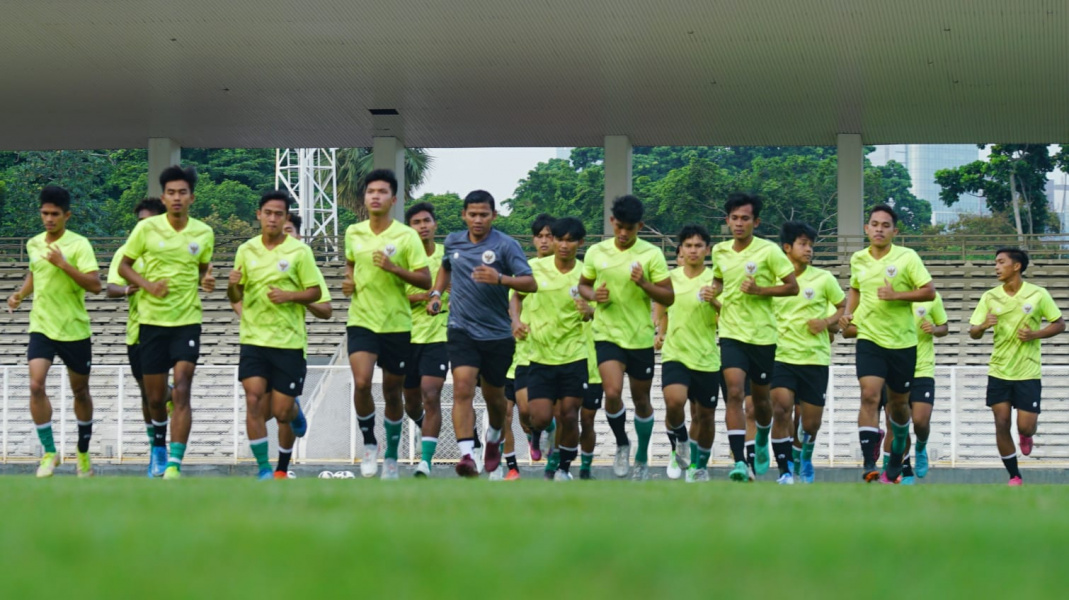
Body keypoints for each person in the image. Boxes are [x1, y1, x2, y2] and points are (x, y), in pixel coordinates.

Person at [428, 190, 536, 477]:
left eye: (484, 215)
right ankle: (466, 456)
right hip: (461, 328)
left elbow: (530, 283)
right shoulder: (453, 241)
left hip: (497, 334)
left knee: (495, 398)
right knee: (462, 387)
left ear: (494, 216)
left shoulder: (506, 245)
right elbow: (445, 267)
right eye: (472, 214)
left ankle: (494, 436)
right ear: (464, 215)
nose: (478, 220)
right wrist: (437, 292)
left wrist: (500, 278)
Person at [118, 166, 215, 479]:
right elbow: (123, 266)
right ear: (164, 196)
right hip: (151, 322)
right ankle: (158, 447)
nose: (176, 198)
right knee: (156, 397)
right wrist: (148, 286)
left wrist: (207, 279)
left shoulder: (203, 233)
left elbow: (202, 269)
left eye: (182, 192)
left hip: (187, 321)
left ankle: (174, 464)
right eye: (171, 193)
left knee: (183, 389)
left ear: (192, 197)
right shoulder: (146, 230)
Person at [228, 191, 330, 479]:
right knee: (253, 401)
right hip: (253, 341)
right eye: (268, 213)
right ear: (259, 214)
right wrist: (232, 287)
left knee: (282, 411)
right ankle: (265, 470)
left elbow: (319, 297)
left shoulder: (301, 253)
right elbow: (235, 294)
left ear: (287, 217)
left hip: (289, 342)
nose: (273, 219)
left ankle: (285, 455)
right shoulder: (246, 250)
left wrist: (290, 296)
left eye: (279, 214)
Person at [7, 186, 102, 478]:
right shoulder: (34, 243)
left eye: (55, 214)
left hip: (74, 329)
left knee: (80, 392)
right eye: (45, 213)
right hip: (42, 327)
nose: (49, 219)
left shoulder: (79, 245)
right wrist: (21, 294)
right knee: (35, 386)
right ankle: (49, 453)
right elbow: (36, 272)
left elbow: (95, 285)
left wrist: (64, 265)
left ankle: (83, 453)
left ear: (66, 216)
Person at [342, 169, 431, 480]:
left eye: (382, 191)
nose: (375, 196)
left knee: (393, 393)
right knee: (363, 382)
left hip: (396, 323)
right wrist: (349, 279)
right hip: (362, 320)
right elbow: (351, 263)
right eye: (370, 191)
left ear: (393, 199)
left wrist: (394, 268)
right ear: (365, 198)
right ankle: (370, 444)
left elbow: (425, 279)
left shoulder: (406, 236)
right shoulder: (353, 232)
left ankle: (392, 456)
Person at [577, 195, 673, 480]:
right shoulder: (596, 252)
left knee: (642, 400)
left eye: (629, 228)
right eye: (618, 226)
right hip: (607, 335)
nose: (622, 233)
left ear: (639, 226)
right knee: (612, 393)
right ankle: (622, 443)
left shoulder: (651, 254)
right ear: (611, 222)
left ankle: (642, 455)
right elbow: (583, 285)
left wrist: (644, 283)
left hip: (640, 337)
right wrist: (594, 296)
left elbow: (669, 295)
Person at [839, 204, 934, 484]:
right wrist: (848, 314)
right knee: (869, 395)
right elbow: (855, 288)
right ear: (867, 228)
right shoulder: (858, 259)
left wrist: (896, 296)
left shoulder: (908, 257)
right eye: (874, 224)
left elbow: (929, 292)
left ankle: (897, 456)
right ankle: (869, 461)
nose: (879, 229)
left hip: (903, 343)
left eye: (885, 225)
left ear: (895, 231)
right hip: (869, 337)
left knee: (898, 406)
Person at [712, 193, 798, 482]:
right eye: (734, 218)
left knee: (761, 403)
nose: (739, 223)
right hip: (731, 333)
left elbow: (792, 287)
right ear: (727, 221)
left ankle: (762, 435)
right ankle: (740, 462)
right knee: (735, 394)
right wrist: (714, 291)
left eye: (745, 218)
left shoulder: (770, 252)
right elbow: (719, 281)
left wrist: (761, 290)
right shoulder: (720, 252)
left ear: (756, 222)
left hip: (762, 336)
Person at [969, 248, 1064, 486]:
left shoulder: (1038, 294)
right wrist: (982, 326)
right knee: (1001, 422)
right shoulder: (990, 297)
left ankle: (1026, 435)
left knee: (1026, 426)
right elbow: (973, 333)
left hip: (1028, 371)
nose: (996, 267)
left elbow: (1059, 324)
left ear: (1016, 266)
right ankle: (1014, 475)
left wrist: (1036, 334)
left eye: (1001, 262)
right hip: (999, 370)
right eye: (995, 263)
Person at [769, 221, 845, 484]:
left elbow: (843, 307)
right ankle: (784, 470)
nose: (809, 249)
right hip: (780, 357)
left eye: (811, 245)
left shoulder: (824, 279)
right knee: (781, 409)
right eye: (803, 244)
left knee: (810, 424)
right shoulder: (772, 279)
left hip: (814, 359)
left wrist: (825, 322)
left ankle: (804, 457)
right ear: (787, 247)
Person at [514, 217, 589, 480]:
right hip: (539, 355)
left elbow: (601, 306)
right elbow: (516, 296)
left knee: (570, 414)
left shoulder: (586, 272)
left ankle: (564, 467)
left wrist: (590, 311)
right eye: (559, 239)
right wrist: (515, 321)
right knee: (540, 416)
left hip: (574, 354)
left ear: (580, 243)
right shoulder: (533, 268)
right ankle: (540, 433)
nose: (563, 245)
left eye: (570, 240)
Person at [105, 197, 171, 476]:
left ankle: (162, 450)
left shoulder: (171, 251)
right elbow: (110, 288)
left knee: (157, 393)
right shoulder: (126, 253)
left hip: (170, 329)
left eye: (148, 222)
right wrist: (128, 290)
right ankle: (156, 449)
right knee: (148, 394)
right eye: (139, 223)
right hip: (138, 333)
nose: (142, 228)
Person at [653, 225, 719, 483]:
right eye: (688, 246)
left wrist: (714, 300)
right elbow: (661, 305)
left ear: (707, 250)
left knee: (704, 416)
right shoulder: (670, 279)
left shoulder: (716, 281)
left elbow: (729, 316)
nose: (693, 250)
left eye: (698, 246)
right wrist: (658, 330)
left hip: (706, 357)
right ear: (680, 249)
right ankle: (679, 442)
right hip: (676, 354)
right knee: (674, 402)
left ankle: (698, 465)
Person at [500, 214, 557, 481]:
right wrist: (515, 321)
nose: (544, 241)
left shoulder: (573, 271)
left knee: (543, 412)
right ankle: (513, 464)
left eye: (550, 235)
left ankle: (554, 458)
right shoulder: (524, 269)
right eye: (539, 236)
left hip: (554, 353)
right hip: (519, 351)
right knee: (515, 412)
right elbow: (513, 299)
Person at [401, 202, 450, 477]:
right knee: (411, 402)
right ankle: (420, 424)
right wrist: (425, 295)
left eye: (426, 221)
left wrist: (443, 295)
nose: (422, 226)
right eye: (416, 222)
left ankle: (425, 462)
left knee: (432, 395)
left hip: (437, 337)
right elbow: (392, 296)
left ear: (435, 225)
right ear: (410, 228)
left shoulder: (447, 257)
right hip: (405, 337)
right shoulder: (403, 259)